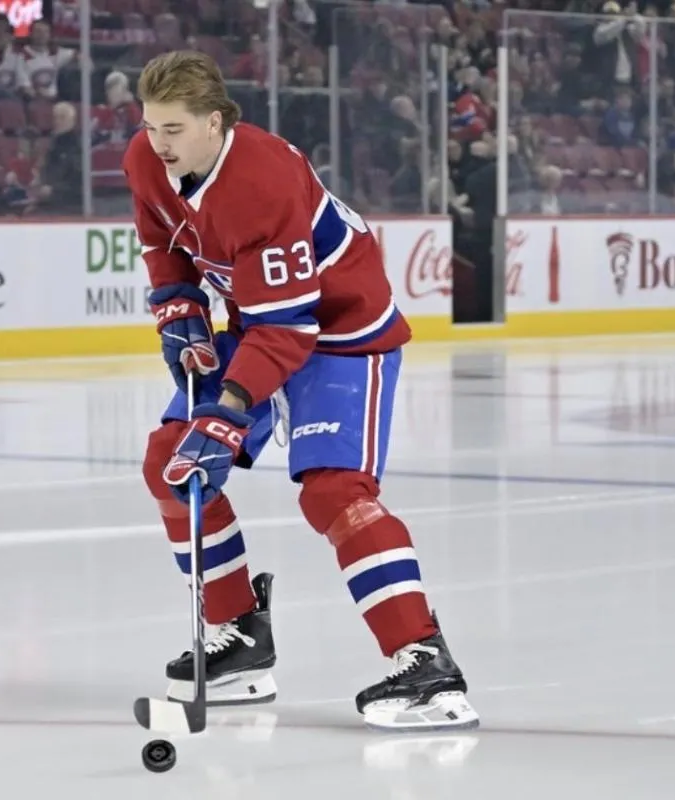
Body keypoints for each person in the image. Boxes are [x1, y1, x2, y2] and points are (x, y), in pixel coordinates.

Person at [123, 50, 479, 732]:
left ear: (216, 123)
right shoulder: (146, 159)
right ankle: (239, 640)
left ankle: (426, 662)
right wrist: (178, 310)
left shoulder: (264, 180)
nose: (158, 143)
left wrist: (228, 413)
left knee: (333, 491)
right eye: (150, 126)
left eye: (173, 129)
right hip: (262, 321)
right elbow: (162, 239)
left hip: (343, 330)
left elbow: (291, 329)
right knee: (171, 464)